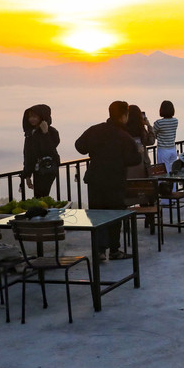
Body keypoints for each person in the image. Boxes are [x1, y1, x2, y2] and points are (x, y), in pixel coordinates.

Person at [75, 101, 142, 261]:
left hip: (95, 180)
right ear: (124, 116)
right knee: (114, 216)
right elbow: (134, 159)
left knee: (97, 216)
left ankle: (99, 251)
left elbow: (79, 146)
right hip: (114, 181)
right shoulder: (125, 137)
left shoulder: (95, 130)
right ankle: (114, 250)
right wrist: (137, 151)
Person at [20, 104, 60, 198]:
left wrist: (45, 133)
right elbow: (28, 155)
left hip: (48, 168)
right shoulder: (30, 133)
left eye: (34, 116)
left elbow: (49, 150)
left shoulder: (52, 132)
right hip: (37, 170)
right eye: (30, 117)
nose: (31, 119)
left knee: (42, 197)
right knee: (39, 197)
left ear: (42, 117)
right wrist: (27, 175)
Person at [125, 104, 156, 180]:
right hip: (142, 164)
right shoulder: (141, 130)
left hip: (129, 165)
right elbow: (151, 141)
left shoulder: (124, 130)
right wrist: (148, 126)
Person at [152, 100, 179, 173]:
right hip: (172, 149)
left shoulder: (159, 123)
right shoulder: (175, 121)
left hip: (163, 150)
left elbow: (152, 134)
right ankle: (174, 185)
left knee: (163, 172)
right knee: (173, 171)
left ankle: (163, 184)